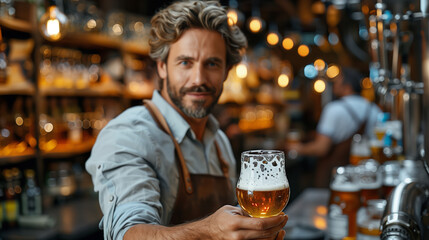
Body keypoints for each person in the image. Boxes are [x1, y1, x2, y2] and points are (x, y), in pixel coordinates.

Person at [86, 1, 288, 240]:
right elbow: (129, 233)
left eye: (212, 63)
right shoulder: (128, 134)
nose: (198, 79)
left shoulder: (220, 142)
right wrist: (210, 230)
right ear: (162, 67)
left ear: (226, 72)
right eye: (185, 62)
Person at [286, 67, 381, 188]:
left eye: (337, 81)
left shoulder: (333, 109)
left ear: (347, 86)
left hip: (336, 175)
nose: (334, 84)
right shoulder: (374, 109)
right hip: (365, 173)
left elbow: (321, 148)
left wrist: (297, 148)